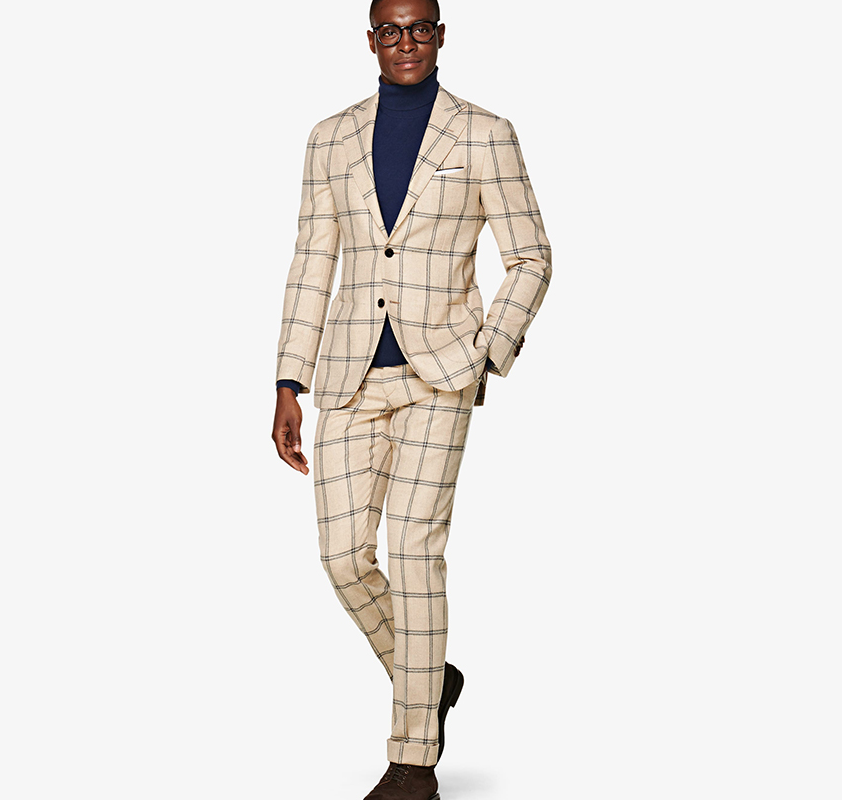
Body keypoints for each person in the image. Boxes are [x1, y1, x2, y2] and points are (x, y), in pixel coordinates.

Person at [271, 1, 551, 796]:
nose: (406, 43)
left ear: (440, 36)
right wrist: (288, 380)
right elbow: (311, 262)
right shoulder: (330, 138)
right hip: (349, 372)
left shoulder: (485, 133)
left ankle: (412, 762)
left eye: (419, 28)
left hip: (440, 374)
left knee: (416, 552)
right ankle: (429, 679)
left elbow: (531, 254)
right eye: (390, 31)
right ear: (371, 40)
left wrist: (485, 352)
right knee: (341, 558)